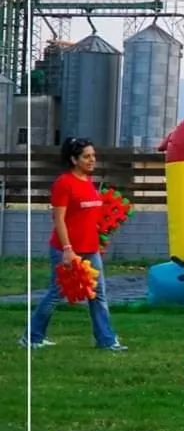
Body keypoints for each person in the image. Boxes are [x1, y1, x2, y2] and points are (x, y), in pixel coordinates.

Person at [19, 138, 127, 351]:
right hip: (66, 250)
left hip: (91, 249)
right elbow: (59, 219)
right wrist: (68, 250)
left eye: (93, 156)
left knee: (98, 294)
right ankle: (31, 337)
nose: (92, 160)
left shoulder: (89, 181)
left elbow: (89, 218)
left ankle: (106, 340)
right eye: (86, 156)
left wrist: (98, 242)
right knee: (56, 294)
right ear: (73, 159)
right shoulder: (64, 183)